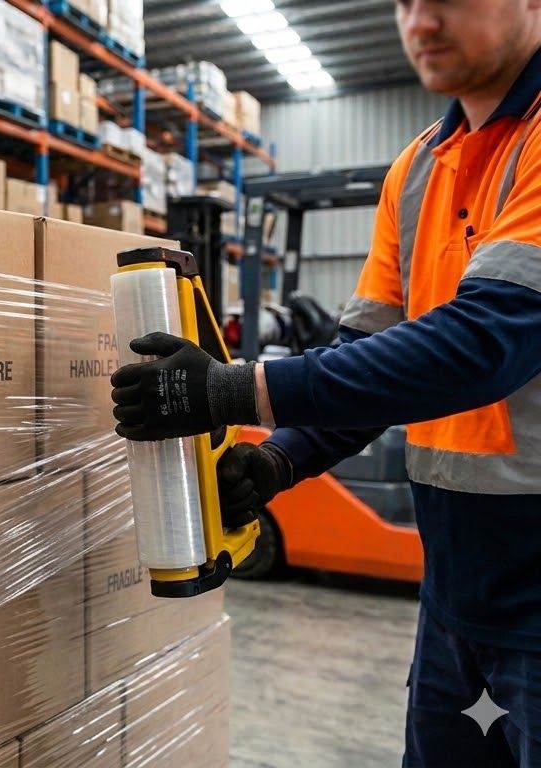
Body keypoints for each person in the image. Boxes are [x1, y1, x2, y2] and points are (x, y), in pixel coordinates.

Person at [108, 0, 541, 764]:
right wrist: (281, 458)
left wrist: (232, 390)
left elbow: (486, 342)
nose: (421, 23)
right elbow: (369, 354)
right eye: (405, 1)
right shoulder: (416, 169)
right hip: (457, 597)